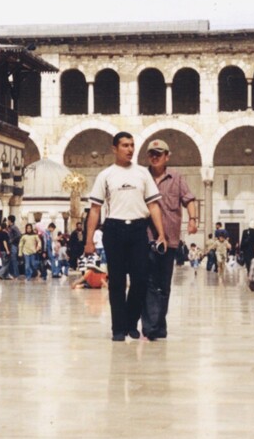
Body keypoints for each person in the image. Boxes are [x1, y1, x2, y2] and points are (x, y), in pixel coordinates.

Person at [84, 131, 166, 342]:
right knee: (117, 282)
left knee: (139, 280)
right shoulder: (106, 175)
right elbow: (95, 209)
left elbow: (153, 205)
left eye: (132, 145)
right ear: (114, 149)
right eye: (125, 145)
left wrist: (161, 234)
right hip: (114, 229)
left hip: (138, 230)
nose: (130, 149)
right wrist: (89, 240)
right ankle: (118, 329)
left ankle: (131, 321)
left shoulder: (142, 174)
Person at [141, 139, 197, 341]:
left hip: (170, 239)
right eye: (151, 153)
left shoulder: (177, 178)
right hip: (145, 238)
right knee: (147, 283)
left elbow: (189, 199)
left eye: (159, 153)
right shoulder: (141, 176)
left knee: (163, 284)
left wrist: (193, 219)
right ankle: (150, 327)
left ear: (167, 156)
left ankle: (158, 326)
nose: (155, 157)